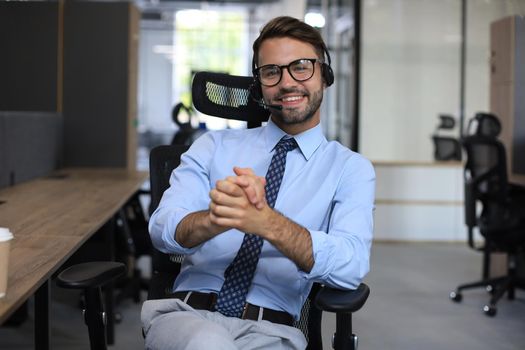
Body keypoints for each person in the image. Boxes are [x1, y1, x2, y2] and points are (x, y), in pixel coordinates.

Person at [142, 16, 375, 350]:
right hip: (186, 317)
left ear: (325, 75)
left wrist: (268, 224)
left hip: (272, 333)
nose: (287, 82)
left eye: (302, 67)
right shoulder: (214, 147)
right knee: (208, 343)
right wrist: (213, 219)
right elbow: (162, 228)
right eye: (271, 71)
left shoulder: (350, 169)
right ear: (260, 86)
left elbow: (351, 266)